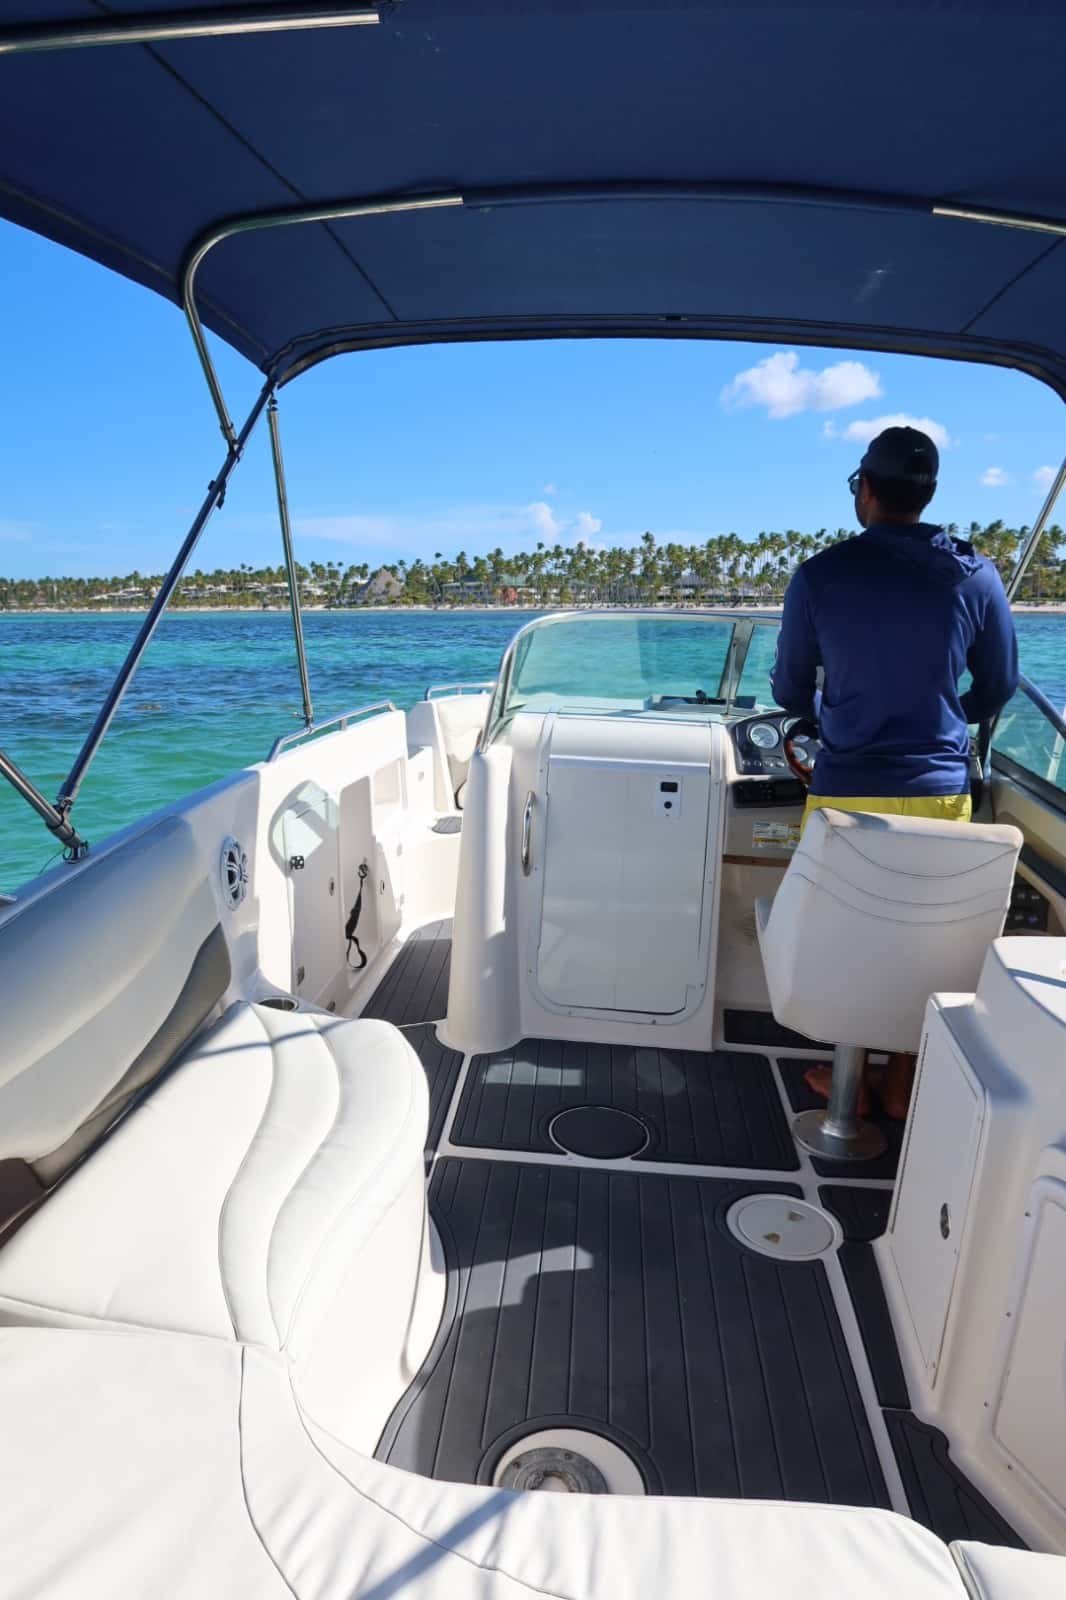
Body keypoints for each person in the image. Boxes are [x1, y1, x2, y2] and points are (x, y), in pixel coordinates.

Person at [771, 425, 1019, 1117]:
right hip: (942, 793)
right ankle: (903, 1085)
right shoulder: (975, 572)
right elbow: (997, 686)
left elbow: (791, 690)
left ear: (867, 492)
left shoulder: (821, 574)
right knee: (924, 946)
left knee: (843, 932)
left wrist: (829, 709)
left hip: (846, 793)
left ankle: (845, 1073)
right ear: (928, 494)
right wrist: (941, 712)